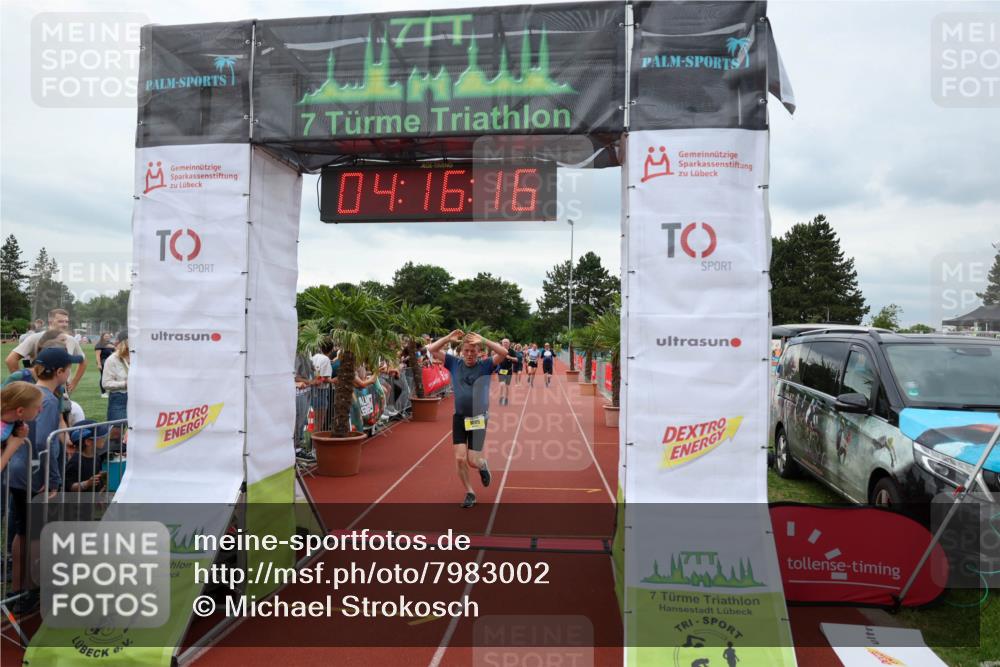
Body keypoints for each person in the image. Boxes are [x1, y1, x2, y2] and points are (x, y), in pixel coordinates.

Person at [6, 347, 80, 614]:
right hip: (35, 476)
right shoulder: (46, 399)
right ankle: (32, 588)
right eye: (68, 369)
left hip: (17, 472)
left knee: (22, 530)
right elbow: (43, 442)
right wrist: (53, 480)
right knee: (35, 533)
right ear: (59, 372)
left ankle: (18, 588)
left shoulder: (31, 392)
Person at [427, 330, 509, 508]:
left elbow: (503, 353)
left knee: (473, 460)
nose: (470, 354)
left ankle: (482, 465)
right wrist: (448, 338)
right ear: (461, 351)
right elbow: (432, 349)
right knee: (459, 458)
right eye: (466, 351)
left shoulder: (486, 365)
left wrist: (485, 339)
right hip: (459, 417)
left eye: (473, 351)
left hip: (479, 418)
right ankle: (470, 492)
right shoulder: (454, 363)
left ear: (479, 352)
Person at [6, 309, 88, 390]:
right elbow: (11, 360)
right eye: (60, 321)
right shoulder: (35, 338)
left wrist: (74, 382)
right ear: (50, 322)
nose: (65, 324)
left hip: (61, 393)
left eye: (66, 322)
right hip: (38, 390)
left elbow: (83, 361)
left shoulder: (71, 340)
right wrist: (23, 385)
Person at [1, 381, 44, 471]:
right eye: (37, 407)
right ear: (20, 411)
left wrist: (17, 430)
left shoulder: (10, 420)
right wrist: (13, 445)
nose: (41, 410)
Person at [64, 420, 108, 493]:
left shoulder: (96, 457)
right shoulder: (75, 462)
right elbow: (69, 486)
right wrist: (87, 484)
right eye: (101, 436)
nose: (105, 438)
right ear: (88, 441)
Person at [103, 331, 130, 424]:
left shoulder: (139, 358)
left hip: (138, 398)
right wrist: (125, 384)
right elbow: (106, 383)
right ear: (124, 342)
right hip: (119, 398)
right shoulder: (112, 359)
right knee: (116, 432)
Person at [495, 338, 517, 406]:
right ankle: (501, 397)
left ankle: (506, 398)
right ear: (502, 343)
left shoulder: (512, 351)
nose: (505, 344)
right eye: (504, 342)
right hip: (501, 369)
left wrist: (510, 357)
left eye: (507, 342)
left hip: (509, 370)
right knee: (502, 384)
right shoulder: (499, 350)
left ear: (509, 344)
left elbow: (516, 359)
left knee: (507, 386)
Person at [94, 332, 115, 398]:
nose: (107, 337)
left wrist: (114, 347)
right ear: (102, 336)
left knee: (113, 376)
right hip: (103, 362)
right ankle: (103, 393)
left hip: (111, 362)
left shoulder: (111, 344)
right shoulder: (99, 344)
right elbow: (97, 356)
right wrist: (99, 364)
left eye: (108, 336)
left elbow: (117, 351)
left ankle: (112, 391)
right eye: (105, 336)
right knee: (103, 377)